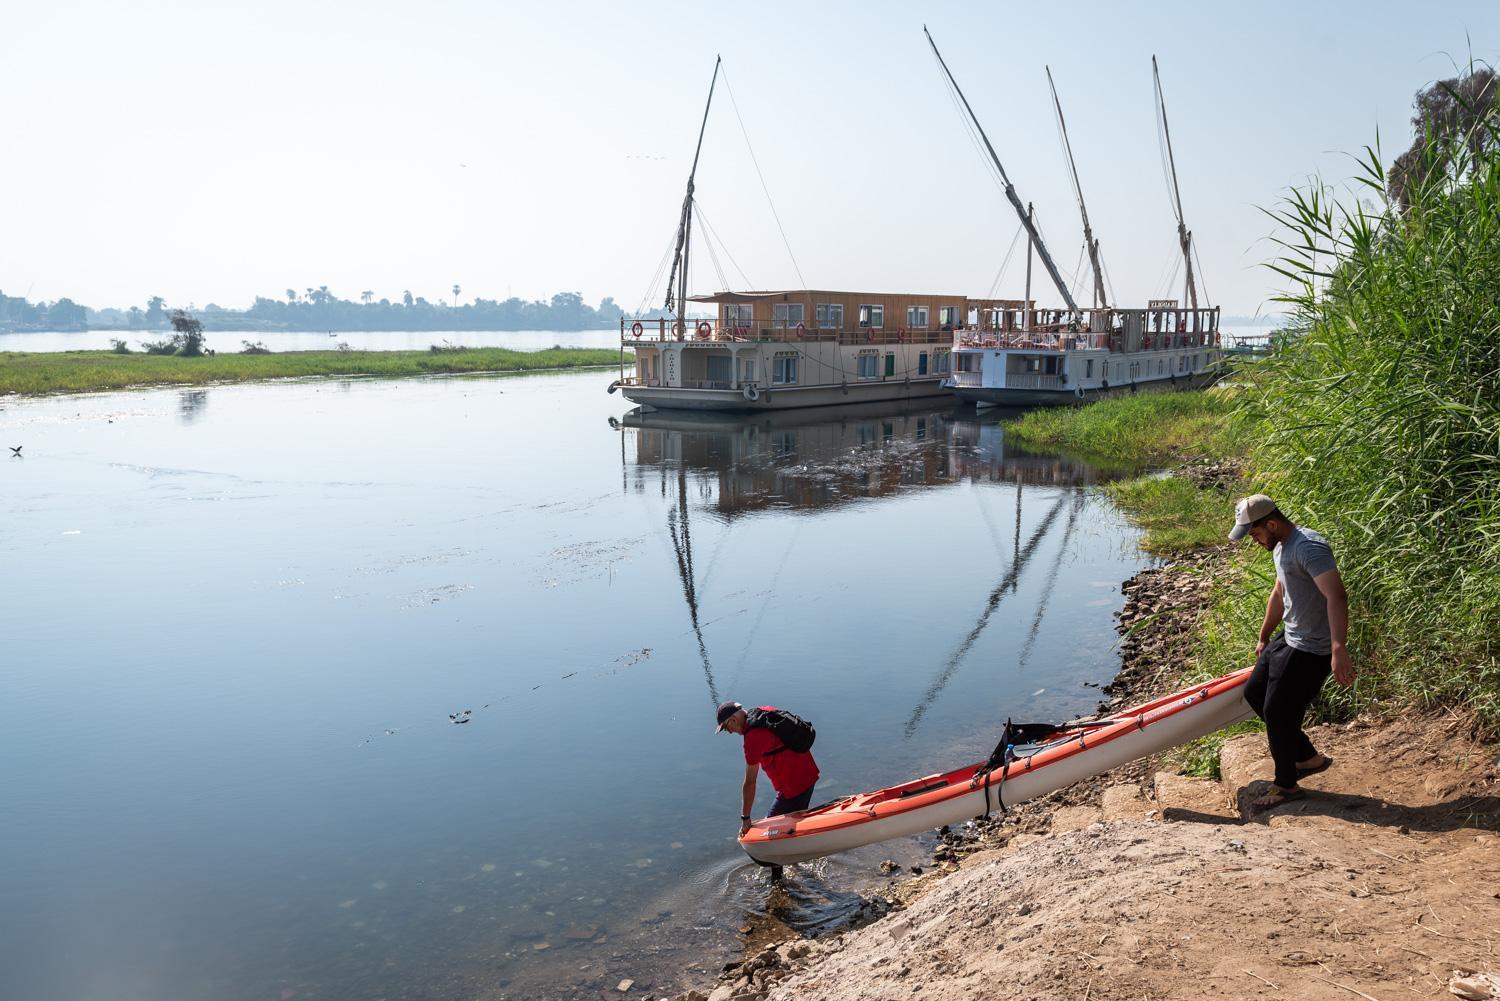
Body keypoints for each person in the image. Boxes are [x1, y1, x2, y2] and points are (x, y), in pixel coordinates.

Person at [1228, 494, 1356, 811]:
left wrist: (1338, 647)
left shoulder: (1308, 547)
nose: (1255, 541)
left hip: (1312, 648)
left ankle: (1286, 785)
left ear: (1271, 524)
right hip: (1289, 637)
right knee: (1256, 693)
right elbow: (1279, 589)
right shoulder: (1280, 546)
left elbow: (1337, 597)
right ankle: (1307, 757)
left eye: (1256, 534)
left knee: (1278, 711)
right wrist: (1264, 634)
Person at [716, 700, 819, 863]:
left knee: (769, 841)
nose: (730, 732)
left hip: (794, 788)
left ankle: (779, 883)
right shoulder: (763, 712)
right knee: (789, 831)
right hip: (808, 775)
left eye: (727, 728)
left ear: (733, 720)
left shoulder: (752, 738)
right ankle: (795, 866)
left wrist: (746, 818)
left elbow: (750, 782)